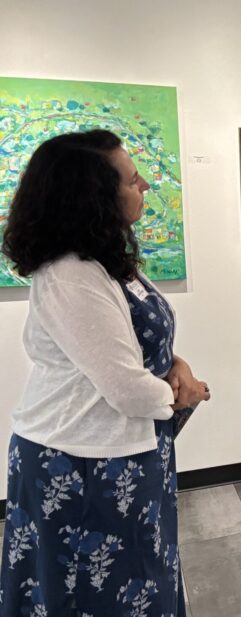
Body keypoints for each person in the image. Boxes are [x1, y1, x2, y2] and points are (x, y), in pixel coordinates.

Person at [0, 129, 211, 615]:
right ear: (92, 196)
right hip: (80, 464)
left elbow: (142, 343)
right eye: (133, 180)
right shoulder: (70, 273)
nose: (145, 187)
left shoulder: (107, 259)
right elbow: (126, 387)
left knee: (145, 575)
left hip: (125, 452)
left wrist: (177, 365)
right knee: (95, 591)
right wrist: (180, 394)